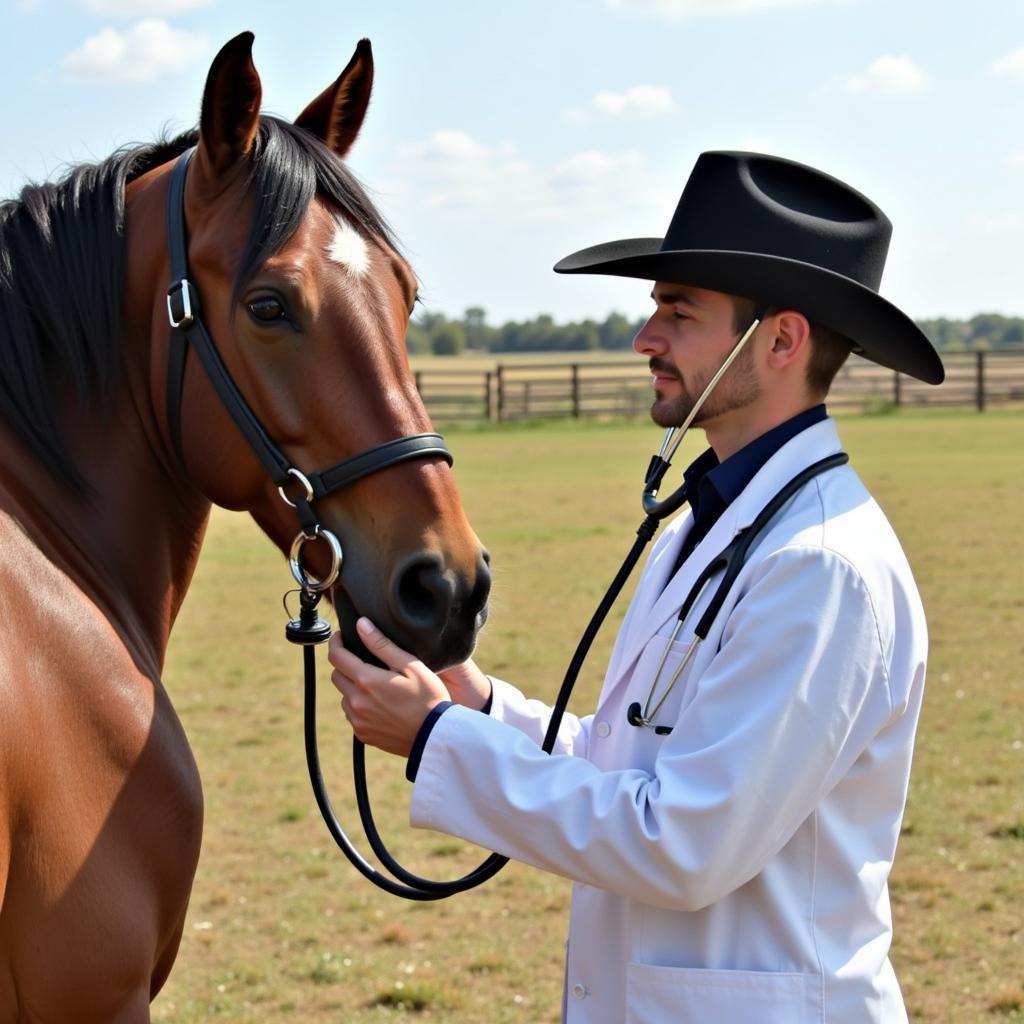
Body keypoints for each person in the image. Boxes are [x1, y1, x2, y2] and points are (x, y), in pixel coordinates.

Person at [328, 150, 944, 1023]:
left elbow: (683, 843)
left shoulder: (821, 569)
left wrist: (435, 740)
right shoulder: (715, 523)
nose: (644, 339)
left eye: (678, 313)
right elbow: (631, 761)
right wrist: (475, 704)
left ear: (780, 339)